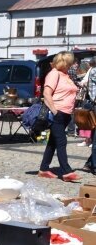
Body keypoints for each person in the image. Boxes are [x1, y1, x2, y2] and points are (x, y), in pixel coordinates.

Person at [38, 51, 79, 181]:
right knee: (61, 141)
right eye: (70, 63)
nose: (72, 65)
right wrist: (55, 112)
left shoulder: (65, 75)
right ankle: (66, 171)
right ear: (65, 62)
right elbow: (47, 93)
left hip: (66, 113)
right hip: (58, 112)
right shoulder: (54, 73)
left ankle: (44, 169)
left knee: (53, 142)